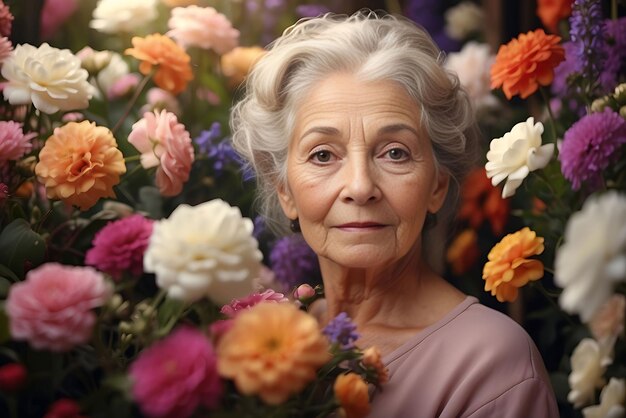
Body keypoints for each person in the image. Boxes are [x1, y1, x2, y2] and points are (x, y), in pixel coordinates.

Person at [230, 11, 559, 418]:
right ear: (285, 190)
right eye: (322, 155)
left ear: (436, 186)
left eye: (395, 153)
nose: (360, 186)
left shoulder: (493, 367)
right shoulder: (269, 341)